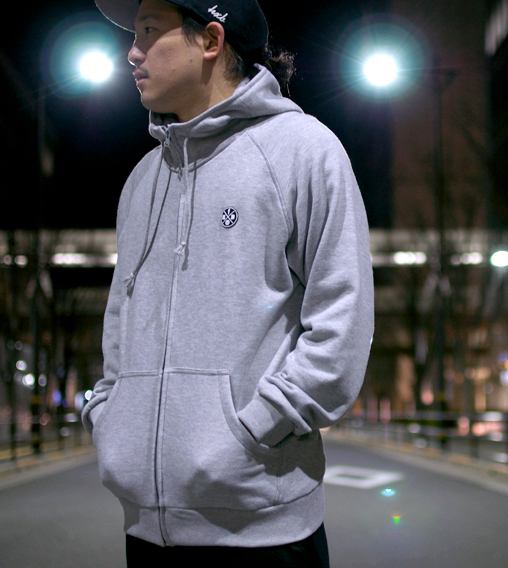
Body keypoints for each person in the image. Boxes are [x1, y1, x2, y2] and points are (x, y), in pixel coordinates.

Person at [81, 0, 374, 565]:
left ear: (211, 41)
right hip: (145, 530)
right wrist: (109, 415)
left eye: (148, 31)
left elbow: (342, 320)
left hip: (265, 531)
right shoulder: (142, 179)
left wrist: (254, 429)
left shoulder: (303, 150)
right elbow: (120, 319)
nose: (132, 53)